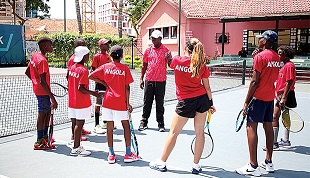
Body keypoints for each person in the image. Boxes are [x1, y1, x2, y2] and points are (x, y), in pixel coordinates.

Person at [149, 38, 216, 174]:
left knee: (173, 133)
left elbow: (169, 61)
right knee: (200, 133)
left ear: (186, 49)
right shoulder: (201, 64)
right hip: (202, 99)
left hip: (185, 101)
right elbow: (207, 88)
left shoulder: (178, 60)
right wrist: (210, 104)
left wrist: (167, 55)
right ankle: (196, 166)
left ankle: (162, 162)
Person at [235, 30, 280, 177]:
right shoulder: (277, 57)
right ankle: (269, 162)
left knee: (251, 127)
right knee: (268, 126)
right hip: (269, 97)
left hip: (258, 98)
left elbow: (254, 81)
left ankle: (253, 166)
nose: (259, 40)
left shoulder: (260, 57)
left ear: (266, 41)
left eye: (261, 38)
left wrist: (246, 101)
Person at [89, 45, 140, 164]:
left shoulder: (105, 67)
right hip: (120, 102)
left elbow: (90, 75)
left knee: (109, 128)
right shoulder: (125, 69)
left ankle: (111, 154)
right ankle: (128, 154)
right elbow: (127, 88)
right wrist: (128, 104)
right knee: (126, 126)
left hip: (107, 102)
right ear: (121, 56)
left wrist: (104, 83)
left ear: (110, 56)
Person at [25, 37, 58, 150]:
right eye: (50, 45)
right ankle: (39, 142)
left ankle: (44, 137)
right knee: (42, 114)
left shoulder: (35, 56)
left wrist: (35, 82)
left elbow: (27, 72)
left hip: (40, 90)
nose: (52, 47)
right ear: (45, 46)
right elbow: (43, 81)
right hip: (43, 92)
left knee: (47, 112)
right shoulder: (42, 60)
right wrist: (53, 99)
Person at [68, 46, 100, 156]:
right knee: (79, 124)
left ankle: (76, 144)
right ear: (84, 56)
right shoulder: (83, 70)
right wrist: (93, 93)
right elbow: (81, 88)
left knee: (76, 123)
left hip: (72, 101)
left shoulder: (71, 67)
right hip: (81, 102)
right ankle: (76, 148)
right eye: (87, 55)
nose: (89, 57)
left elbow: (70, 80)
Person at [138, 30, 171, 132]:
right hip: (149, 80)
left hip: (161, 81)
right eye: (151, 38)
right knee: (147, 102)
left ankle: (160, 123)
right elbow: (144, 66)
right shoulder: (148, 50)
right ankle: (144, 122)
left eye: (155, 38)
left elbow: (170, 65)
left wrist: (169, 59)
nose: (152, 40)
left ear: (160, 39)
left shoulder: (166, 51)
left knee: (159, 103)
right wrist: (141, 78)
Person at [272, 45, 297, 149]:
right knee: (285, 116)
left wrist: (283, 97)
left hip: (285, 94)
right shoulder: (284, 65)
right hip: (282, 94)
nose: (278, 55)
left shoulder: (289, 66)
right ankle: (285, 141)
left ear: (286, 55)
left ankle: (273, 144)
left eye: (280, 54)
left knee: (274, 116)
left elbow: (289, 81)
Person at [67, 38, 90, 141]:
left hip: (75, 94)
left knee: (78, 119)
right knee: (76, 119)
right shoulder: (74, 61)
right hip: (78, 97)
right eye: (83, 45)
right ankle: (75, 137)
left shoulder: (79, 63)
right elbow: (71, 76)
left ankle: (79, 132)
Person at [91, 38, 112, 134]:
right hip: (100, 83)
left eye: (108, 44)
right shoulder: (96, 56)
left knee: (107, 103)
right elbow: (93, 71)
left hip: (108, 83)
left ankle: (105, 122)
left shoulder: (109, 56)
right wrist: (99, 81)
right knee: (98, 103)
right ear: (101, 46)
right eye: (106, 44)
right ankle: (96, 125)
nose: (108, 46)